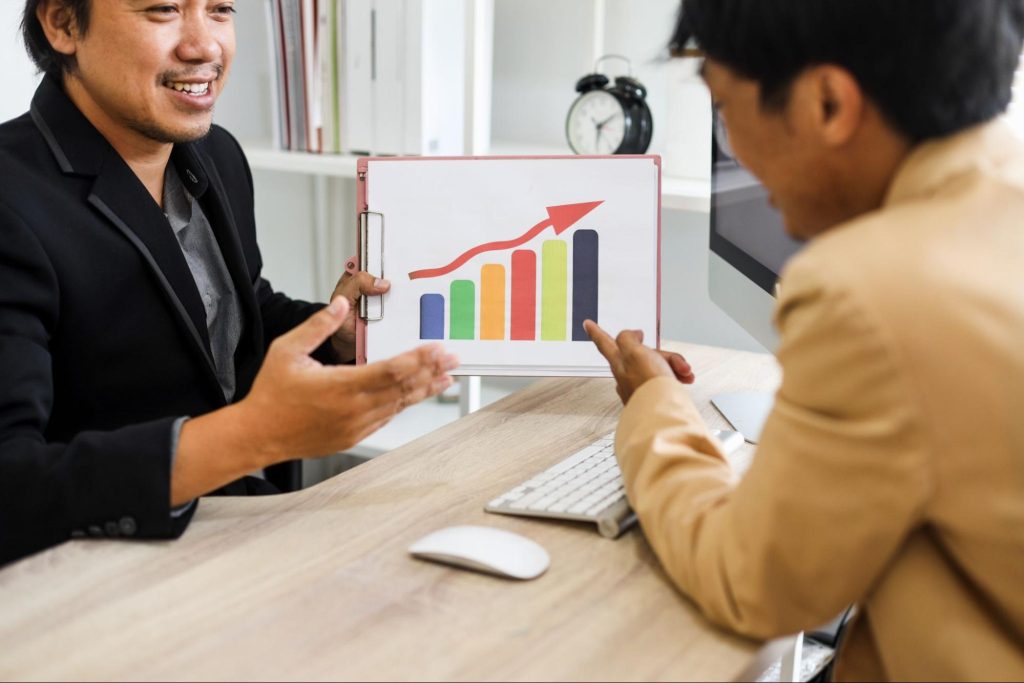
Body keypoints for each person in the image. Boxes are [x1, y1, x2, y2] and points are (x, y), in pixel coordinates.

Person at [585, 0, 1024, 680]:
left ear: (827, 103)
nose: (732, 152)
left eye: (725, 111)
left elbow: (751, 579)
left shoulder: (872, 289)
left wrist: (654, 401)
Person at [0, 0, 458, 567]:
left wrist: (332, 331)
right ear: (64, 23)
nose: (206, 46)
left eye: (220, 9)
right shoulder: (10, 197)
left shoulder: (215, 154)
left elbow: (230, 319)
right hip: (99, 573)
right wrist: (254, 435)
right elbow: (11, 485)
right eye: (163, 10)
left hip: (242, 534)